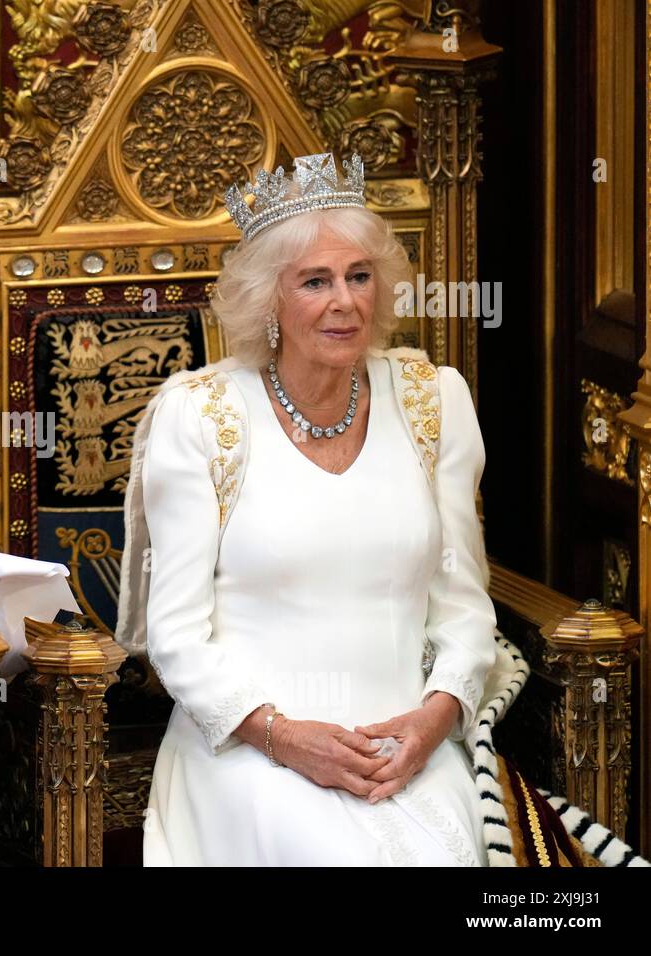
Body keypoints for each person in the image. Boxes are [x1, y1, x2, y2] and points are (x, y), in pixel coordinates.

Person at [116, 152, 496, 865]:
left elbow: (466, 608)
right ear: (269, 302)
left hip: (406, 748)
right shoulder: (201, 415)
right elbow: (175, 636)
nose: (344, 301)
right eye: (314, 282)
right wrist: (284, 736)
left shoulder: (432, 400)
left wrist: (433, 720)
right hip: (249, 748)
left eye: (358, 276)